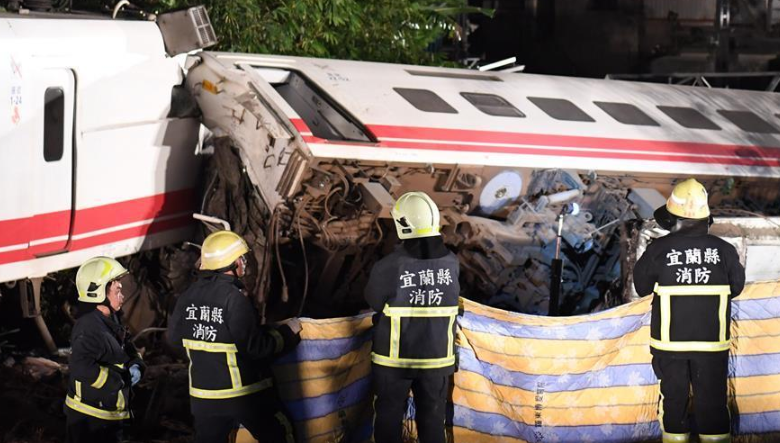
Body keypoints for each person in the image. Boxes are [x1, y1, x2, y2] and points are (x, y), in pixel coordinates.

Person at [633, 179, 745, 443]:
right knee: (713, 402)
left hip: (669, 344)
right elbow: (737, 287)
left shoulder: (658, 250)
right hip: (712, 344)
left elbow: (641, 287)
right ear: (706, 218)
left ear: (672, 218)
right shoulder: (724, 251)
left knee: (674, 402)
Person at [168, 230, 302, 443]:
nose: (244, 263)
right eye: (241, 258)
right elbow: (255, 348)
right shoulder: (233, 298)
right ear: (233, 263)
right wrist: (287, 335)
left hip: (203, 399)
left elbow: (174, 341)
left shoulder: (187, 297)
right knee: (280, 432)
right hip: (242, 396)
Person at [365, 191, 460, 443]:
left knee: (388, 420)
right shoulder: (452, 264)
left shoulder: (389, 266)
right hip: (437, 361)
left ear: (403, 223)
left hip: (394, 361)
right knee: (433, 422)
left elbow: (374, 301)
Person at [65, 256, 145, 443]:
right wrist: (118, 381)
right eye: (118, 291)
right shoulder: (88, 328)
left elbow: (127, 348)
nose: (122, 296)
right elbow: (81, 368)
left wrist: (137, 365)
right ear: (98, 293)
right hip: (90, 421)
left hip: (109, 416)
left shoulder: (111, 320)